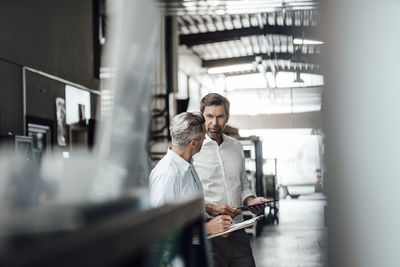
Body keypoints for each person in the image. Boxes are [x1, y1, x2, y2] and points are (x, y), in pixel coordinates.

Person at [193, 93, 269, 267]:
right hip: (211, 234)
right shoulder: (194, 150)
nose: (214, 123)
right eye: (209, 116)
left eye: (220, 116)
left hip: (238, 230)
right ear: (202, 117)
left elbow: (242, 183)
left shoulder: (236, 146)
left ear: (227, 117)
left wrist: (251, 200)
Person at [149, 111, 233, 240]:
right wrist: (208, 228)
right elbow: (160, 228)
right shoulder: (167, 174)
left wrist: (213, 216)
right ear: (193, 143)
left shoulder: (188, 165)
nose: (205, 138)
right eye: (204, 135)